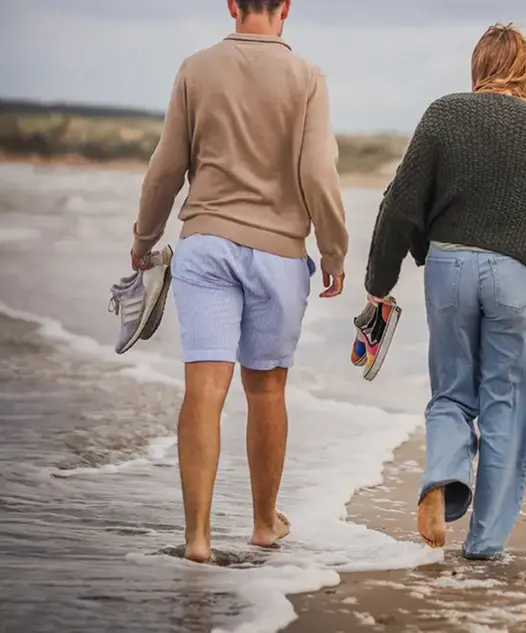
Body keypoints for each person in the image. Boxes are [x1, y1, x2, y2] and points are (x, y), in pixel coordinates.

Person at [127, 0, 348, 563]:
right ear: (287, 8)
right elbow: (318, 172)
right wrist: (333, 250)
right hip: (278, 252)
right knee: (267, 389)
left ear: (231, 4)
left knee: (204, 386)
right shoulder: (307, 77)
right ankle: (263, 523)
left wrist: (144, 239)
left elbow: (166, 165)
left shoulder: (195, 68)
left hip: (205, 243)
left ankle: (198, 537)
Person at [363, 24, 526, 559]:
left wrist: (379, 286)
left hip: (449, 266)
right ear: (525, 73)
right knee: (505, 402)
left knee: (452, 393)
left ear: (478, 69)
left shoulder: (443, 114)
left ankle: (442, 476)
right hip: (514, 276)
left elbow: (401, 205)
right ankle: (485, 544)